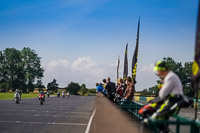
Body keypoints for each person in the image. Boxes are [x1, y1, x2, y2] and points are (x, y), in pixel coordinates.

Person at [151, 61, 184, 132]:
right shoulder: (168, 76)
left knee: (154, 118)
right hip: (171, 101)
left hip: (173, 102)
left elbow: (162, 94)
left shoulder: (170, 77)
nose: (157, 72)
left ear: (162, 70)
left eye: (158, 71)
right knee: (157, 119)